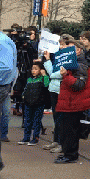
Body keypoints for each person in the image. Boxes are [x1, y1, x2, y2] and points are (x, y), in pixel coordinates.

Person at [55, 40, 90, 164]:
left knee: (71, 130)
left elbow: (79, 84)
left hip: (74, 103)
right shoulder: (74, 63)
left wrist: (66, 76)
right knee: (66, 129)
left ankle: (71, 155)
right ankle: (68, 153)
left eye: (70, 48)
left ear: (78, 50)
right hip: (70, 102)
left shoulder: (80, 64)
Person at [42, 36, 71, 153]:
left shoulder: (67, 58)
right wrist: (48, 60)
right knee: (56, 117)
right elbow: (53, 72)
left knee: (61, 118)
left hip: (61, 90)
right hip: (53, 89)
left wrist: (50, 69)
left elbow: (55, 74)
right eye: (60, 44)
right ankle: (56, 140)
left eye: (64, 44)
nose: (61, 47)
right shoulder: (57, 57)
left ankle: (61, 142)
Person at [18, 62, 49, 146]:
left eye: (36, 69)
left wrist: (44, 75)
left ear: (40, 70)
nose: (33, 71)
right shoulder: (29, 79)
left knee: (36, 121)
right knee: (27, 121)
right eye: (32, 69)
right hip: (29, 103)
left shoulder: (42, 79)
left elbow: (46, 85)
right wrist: (23, 96)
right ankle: (26, 138)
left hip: (39, 103)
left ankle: (35, 138)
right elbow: (25, 89)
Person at [0, 30, 17, 170]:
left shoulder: (2, 41)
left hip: (2, 85)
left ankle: (3, 133)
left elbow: (6, 67)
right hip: (4, 84)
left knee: (5, 112)